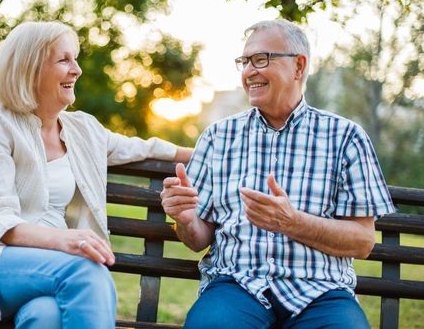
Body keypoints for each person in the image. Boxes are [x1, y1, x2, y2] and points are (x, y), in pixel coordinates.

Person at [0, 21, 192, 329]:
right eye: (64, 60)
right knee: (86, 271)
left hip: (47, 267)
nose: (77, 70)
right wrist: (67, 240)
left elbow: (142, 147)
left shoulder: (82, 129)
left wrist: (204, 151)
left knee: (46, 317)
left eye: (76, 58)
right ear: (30, 69)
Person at [160, 19, 395, 329]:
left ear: (298, 66)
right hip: (236, 286)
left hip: (321, 291)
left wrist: (292, 222)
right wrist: (187, 219)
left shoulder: (346, 137)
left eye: (261, 59)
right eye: (244, 62)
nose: (248, 72)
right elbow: (197, 239)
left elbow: (362, 241)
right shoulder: (218, 136)